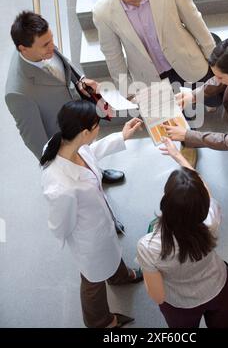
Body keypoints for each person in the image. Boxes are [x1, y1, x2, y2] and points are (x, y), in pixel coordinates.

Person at [40, 100, 144, 328]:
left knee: (111, 250)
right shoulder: (61, 186)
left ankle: (120, 277)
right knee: (92, 280)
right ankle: (100, 322)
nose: (99, 129)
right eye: (98, 126)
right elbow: (60, 225)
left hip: (100, 224)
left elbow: (91, 153)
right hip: (88, 239)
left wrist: (121, 136)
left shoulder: (70, 144)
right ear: (85, 131)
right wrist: (83, 236)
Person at [5, 11, 124, 184]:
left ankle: (96, 170)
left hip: (77, 119)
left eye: (52, 39)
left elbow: (64, 63)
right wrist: (57, 169)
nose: (52, 47)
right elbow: (34, 140)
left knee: (88, 152)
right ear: (23, 48)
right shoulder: (18, 93)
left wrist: (80, 80)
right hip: (63, 139)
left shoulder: (43, 46)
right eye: (46, 44)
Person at [136, 138, 228, 328]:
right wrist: (179, 156)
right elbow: (204, 188)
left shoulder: (149, 246)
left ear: (165, 203)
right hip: (219, 286)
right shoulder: (210, 219)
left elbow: (157, 296)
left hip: (180, 304)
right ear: (203, 204)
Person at [93, 0, 218, 98]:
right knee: (179, 118)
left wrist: (215, 60)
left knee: (212, 98)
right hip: (149, 80)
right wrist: (127, 93)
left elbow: (194, 21)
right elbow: (113, 56)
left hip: (187, 61)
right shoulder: (102, 12)